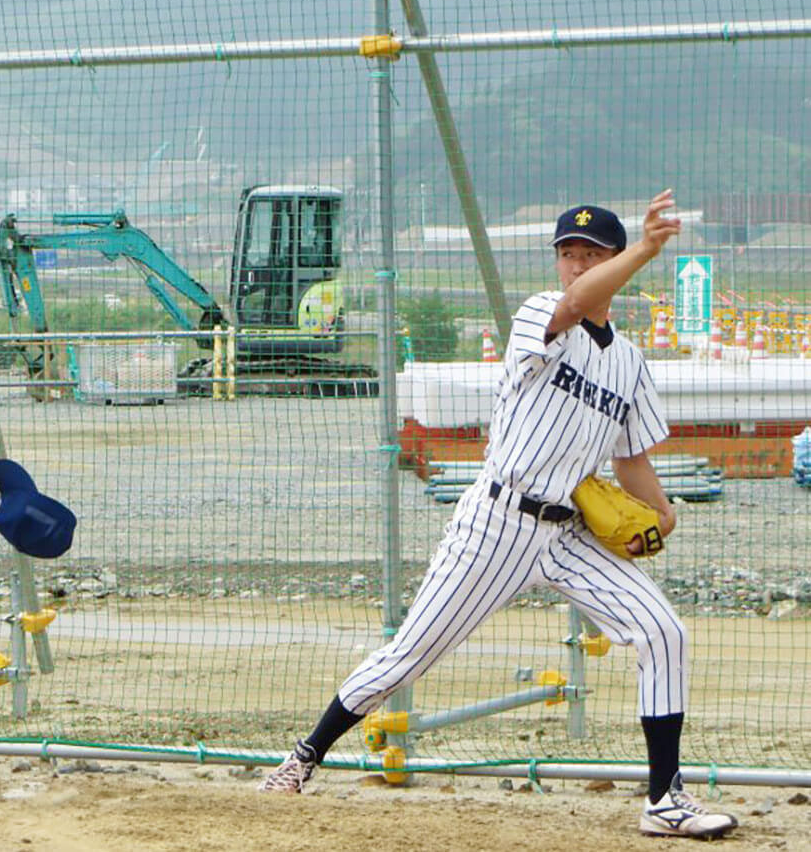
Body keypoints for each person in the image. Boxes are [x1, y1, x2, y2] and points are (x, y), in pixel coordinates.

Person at [260, 190, 738, 840]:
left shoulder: (628, 362)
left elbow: (631, 457)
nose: (575, 263)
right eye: (567, 252)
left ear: (611, 262)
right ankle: (302, 758)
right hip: (497, 523)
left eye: (590, 253)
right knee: (409, 656)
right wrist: (649, 247)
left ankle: (664, 799)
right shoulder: (540, 313)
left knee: (663, 631)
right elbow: (573, 305)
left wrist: (661, 512)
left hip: (567, 533)